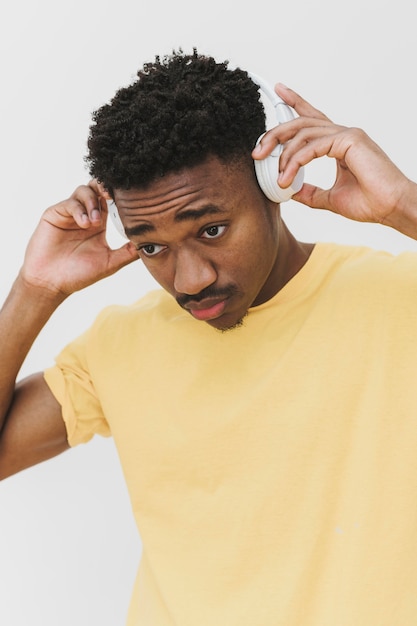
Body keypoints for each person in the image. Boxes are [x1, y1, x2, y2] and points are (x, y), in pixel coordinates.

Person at [1, 48, 417, 625]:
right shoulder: (119, 345)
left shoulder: (400, 299)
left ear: (273, 183)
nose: (190, 279)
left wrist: (404, 204)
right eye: (152, 247)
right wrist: (35, 289)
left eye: (212, 229)